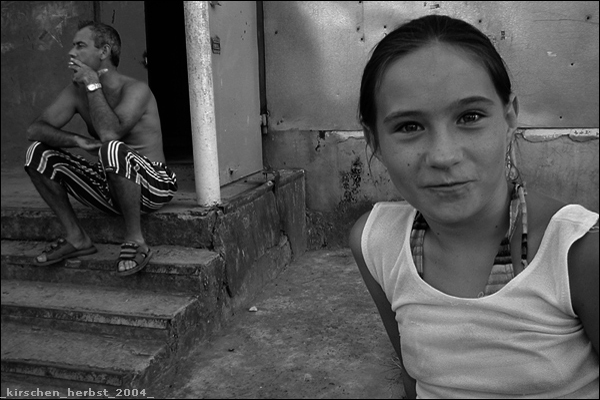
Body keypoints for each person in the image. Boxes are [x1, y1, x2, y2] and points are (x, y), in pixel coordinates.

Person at [350, 14, 598, 399]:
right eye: (409, 126)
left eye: (470, 117)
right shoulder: (377, 243)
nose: (443, 155)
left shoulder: (576, 253)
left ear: (509, 118)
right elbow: (414, 381)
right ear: (374, 141)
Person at [25, 21, 178, 276]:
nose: (71, 53)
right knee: (37, 153)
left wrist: (93, 83)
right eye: (73, 46)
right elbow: (34, 130)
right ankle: (77, 238)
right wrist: (78, 140)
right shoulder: (76, 92)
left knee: (112, 147)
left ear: (104, 51)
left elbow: (110, 134)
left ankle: (135, 239)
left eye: (80, 46)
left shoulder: (136, 89)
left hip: (153, 185)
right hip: (110, 184)